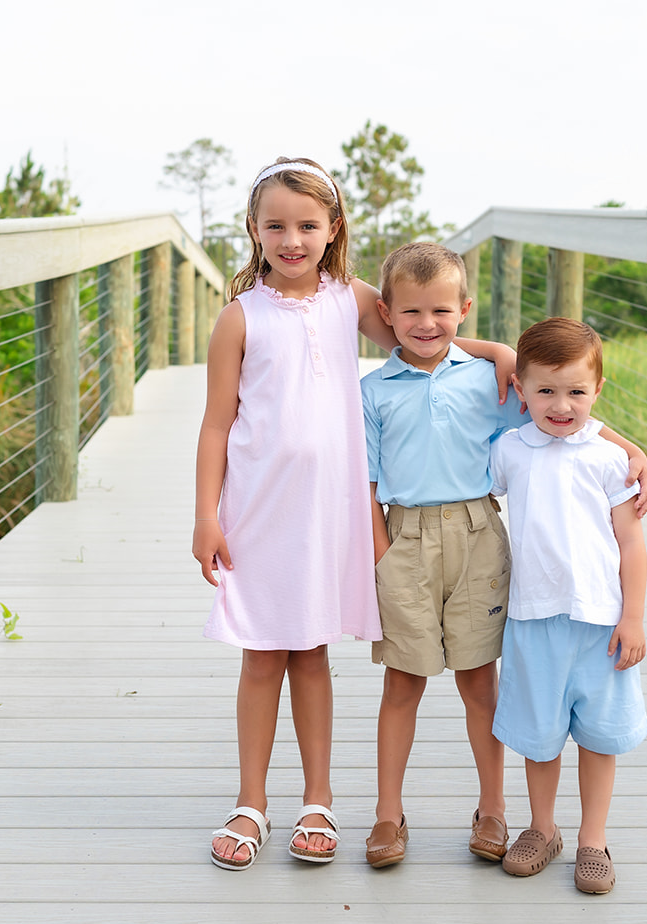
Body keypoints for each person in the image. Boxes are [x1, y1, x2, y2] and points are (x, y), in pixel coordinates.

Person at [194, 157, 518, 870]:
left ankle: (318, 797)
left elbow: (424, 333)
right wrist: (205, 515)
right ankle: (252, 800)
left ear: (332, 227)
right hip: (257, 507)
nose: (292, 239)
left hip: (326, 511)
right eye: (275, 225)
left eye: (308, 224)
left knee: (309, 650)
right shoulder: (238, 317)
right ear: (252, 229)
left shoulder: (349, 297)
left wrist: (496, 350)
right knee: (261, 653)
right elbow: (217, 423)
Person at [359, 242, 530, 868]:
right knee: (402, 682)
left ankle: (493, 809)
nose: (426, 324)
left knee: (479, 683)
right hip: (403, 539)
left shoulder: (490, 378)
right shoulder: (372, 391)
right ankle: (387, 814)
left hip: (479, 533)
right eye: (410, 312)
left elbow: (559, 413)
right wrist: (382, 554)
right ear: (386, 313)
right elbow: (366, 483)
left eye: (440, 311)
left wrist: (626, 448)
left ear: (463, 310)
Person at [489, 318, 647, 894]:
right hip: (533, 619)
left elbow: (631, 543)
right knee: (540, 735)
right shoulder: (509, 449)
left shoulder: (611, 461)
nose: (561, 405)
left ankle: (593, 839)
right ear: (522, 389)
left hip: (601, 623)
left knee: (600, 735)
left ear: (598, 392)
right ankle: (542, 827)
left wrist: (632, 617)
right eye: (546, 391)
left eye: (577, 392)